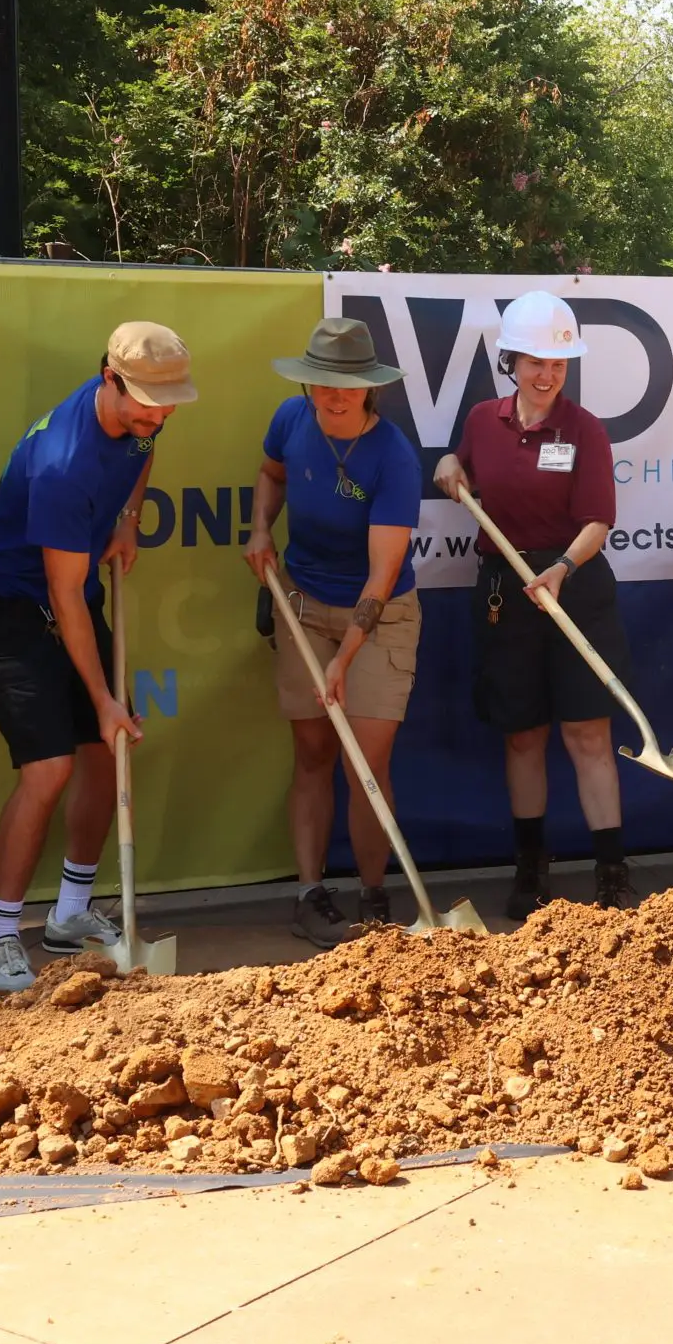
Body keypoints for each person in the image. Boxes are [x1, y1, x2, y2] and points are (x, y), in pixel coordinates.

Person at [0, 323, 197, 991]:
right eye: (146, 402)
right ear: (108, 377)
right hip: (11, 604)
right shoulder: (63, 464)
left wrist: (128, 518)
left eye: (168, 404)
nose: (158, 416)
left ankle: (69, 911)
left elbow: (143, 449)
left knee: (105, 750)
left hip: (68, 594)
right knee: (49, 768)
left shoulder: (143, 417)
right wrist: (102, 699)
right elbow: (63, 595)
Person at [433, 289, 635, 914]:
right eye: (535, 363)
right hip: (507, 591)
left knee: (587, 733)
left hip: (575, 587)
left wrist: (562, 569)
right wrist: (449, 462)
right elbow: (462, 466)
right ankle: (530, 871)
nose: (547, 375)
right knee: (522, 736)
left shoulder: (585, 429)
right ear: (511, 362)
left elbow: (598, 521)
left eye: (558, 364)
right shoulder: (481, 420)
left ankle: (612, 873)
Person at [243, 317, 423, 945]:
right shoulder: (290, 420)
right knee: (313, 753)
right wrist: (260, 529)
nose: (334, 396)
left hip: (378, 616)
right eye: (322, 382)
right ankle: (309, 893)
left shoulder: (394, 457)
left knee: (365, 762)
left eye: (347, 385)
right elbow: (271, 474)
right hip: (301, 604)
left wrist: (343, 659)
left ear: (370, 388)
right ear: (306, 383)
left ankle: (374, 896)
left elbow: (382, 576)